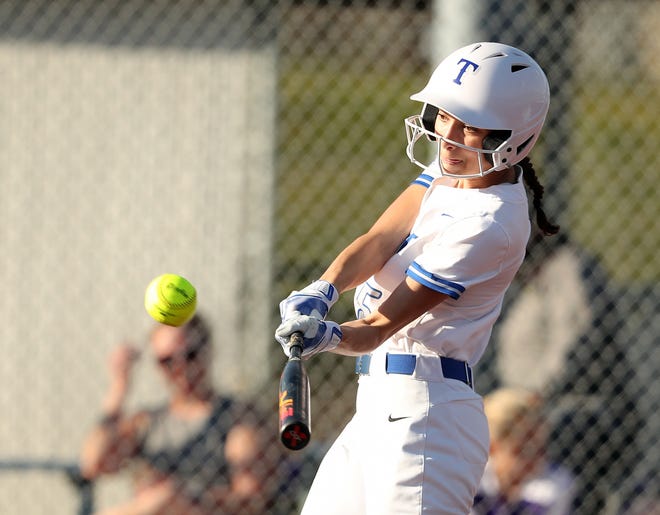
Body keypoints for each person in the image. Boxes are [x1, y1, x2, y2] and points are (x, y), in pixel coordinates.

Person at [275, 41, 559, 515]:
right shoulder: (454, 170)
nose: (448, 134)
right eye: (445, 115)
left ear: (512, 136)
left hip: (428, 417)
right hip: (378, 406)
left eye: (469, 126)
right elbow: (383, 235)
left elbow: (379, 328)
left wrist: (327, 335)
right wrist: (322, 289)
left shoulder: (492, 224)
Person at [79, 314, 282, 515]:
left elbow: (251, 500)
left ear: (208, 351)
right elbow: (93, 463)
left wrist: (184, 498)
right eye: (167, 361)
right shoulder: (148, 421)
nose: (180, 368)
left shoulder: (239, 418)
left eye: (190, 355)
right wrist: (119, 388)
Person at [470, 388, 575, 515]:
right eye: (523, 451)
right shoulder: (469, 480)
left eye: (541, 450)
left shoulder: (553, 484)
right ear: (492, 447)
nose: (535, 461)